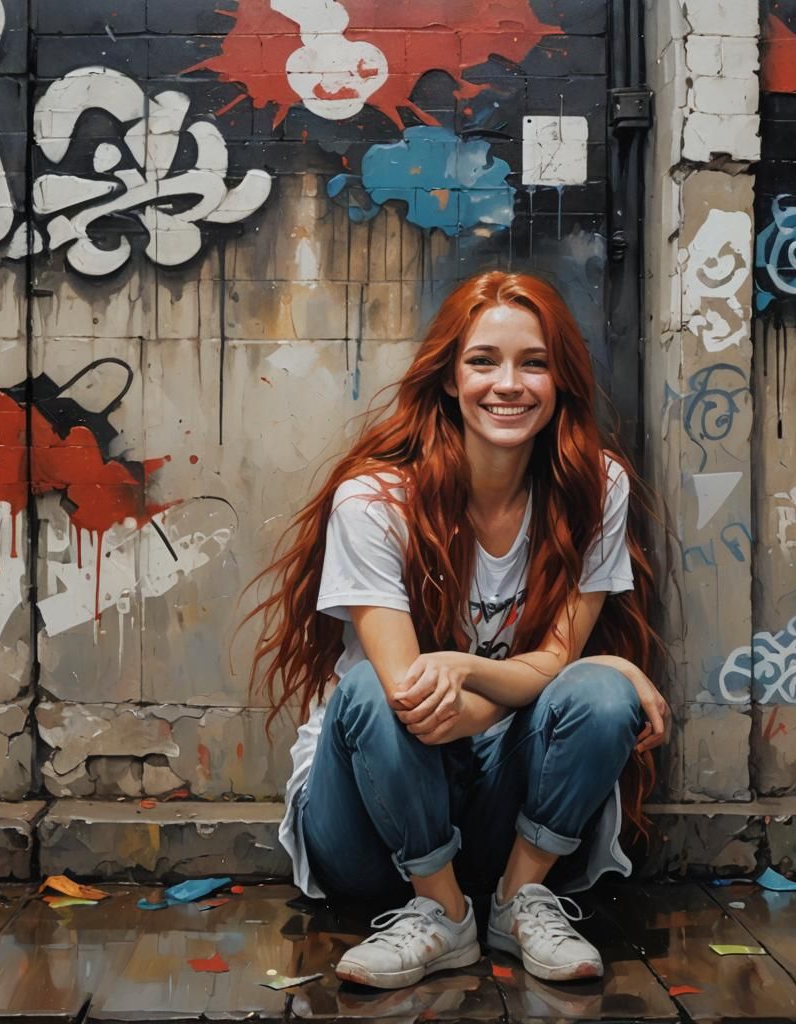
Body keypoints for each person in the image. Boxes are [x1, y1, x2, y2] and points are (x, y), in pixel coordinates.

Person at [242, 271, 671, 990]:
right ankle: (440, 914)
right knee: (371, 693)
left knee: (599, 695)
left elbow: (546, 670)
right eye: (483, 361)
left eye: (534, 363)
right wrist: (556, 672)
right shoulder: (375, 500)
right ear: (448, 377)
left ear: (561, 379)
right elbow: (417, 708)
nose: (509, 384)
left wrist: (490, 669)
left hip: (499, 822)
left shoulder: (596, 488)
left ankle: (518, 900)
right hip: (369, 829)